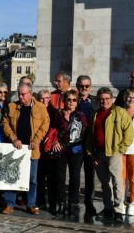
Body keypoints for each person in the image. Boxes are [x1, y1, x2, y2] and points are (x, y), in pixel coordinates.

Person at [86, 87, 134, 223]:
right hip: (99, 153)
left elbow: (129, 133)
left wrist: (121, 149)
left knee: (117, 182)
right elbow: (90, 136)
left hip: (114, 153)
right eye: (101, 99)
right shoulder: (95, 114)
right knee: (105, 183)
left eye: (107, 98)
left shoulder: (119, 112)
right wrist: (91, 154)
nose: (104, 101)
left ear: (111, 99)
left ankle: (118, 210)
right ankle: (108, 207)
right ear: (98, 100)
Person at [1, 83, 50, 215]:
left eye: (23, 94)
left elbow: (45, 124)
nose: (21, 96)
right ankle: (9, 203)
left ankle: (31, 204)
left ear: (30, 94)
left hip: (32, 149)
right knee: (12, 176)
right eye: (19, 94)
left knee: (32, 179)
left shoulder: (40, 107)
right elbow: (5, 123)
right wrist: (13, 138)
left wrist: (36, 140)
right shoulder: (12, 107)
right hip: (15, 148)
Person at [49, 90, 87, 218]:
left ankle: (73, 204)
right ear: (64, 101)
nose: (71, 102)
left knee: (75, 177)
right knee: (60, 177)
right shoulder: (58, 114)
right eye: (69, 100)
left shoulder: (81, 116)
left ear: (77, 102)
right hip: (61, 150)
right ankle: (61, 203)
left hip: (76, 150)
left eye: (74, 100)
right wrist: (54, 142)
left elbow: (85, 133)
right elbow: (52, 130)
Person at [75, 75, 99, 216]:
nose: (84, 89)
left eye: (87, 86)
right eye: (81, 86)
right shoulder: (71, 99)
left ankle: (89, 203)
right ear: (77, 86)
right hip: (76, 143)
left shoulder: (96, 101)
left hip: (91, 144)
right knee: (75, 174)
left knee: (90, 175)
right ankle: (74, 201)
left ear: (90, 87)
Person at [35, 89, 54, 210]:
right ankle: (40, 200)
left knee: (51, 177)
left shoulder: (55, 112)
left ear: (50, 99)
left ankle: (52, 203)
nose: (44, 100)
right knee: (39, 177)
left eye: (46, 98)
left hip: (50, 149)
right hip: (37, 147)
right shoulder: (35, 111)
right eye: (41, 98)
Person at [122, 89, 134, 216]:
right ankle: (121, 202)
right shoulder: (119, 112)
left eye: (133, 97)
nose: (131, 99)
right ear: (124, 98)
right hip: (121, 149)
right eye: (128, 96)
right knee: (120, 178)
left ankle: (133, 202)